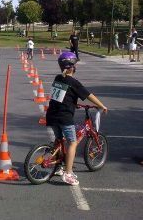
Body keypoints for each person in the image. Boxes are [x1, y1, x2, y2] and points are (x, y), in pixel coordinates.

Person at [46, 52, 108, 186]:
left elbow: (62, 97)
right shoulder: (74, 82)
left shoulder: (58, 78)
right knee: (72, 143)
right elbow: (89, 95)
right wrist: (101, 106)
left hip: (51, 115)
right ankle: (68, 173)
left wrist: (74, 104)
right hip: (64, 117)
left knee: (59, 140)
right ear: (72, 67)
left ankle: (58, 167)